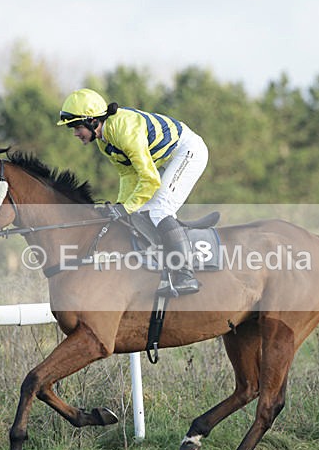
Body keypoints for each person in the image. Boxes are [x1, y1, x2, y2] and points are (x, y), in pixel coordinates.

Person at [57, 88, 208, 296]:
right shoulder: (104, 142)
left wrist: (126, 208)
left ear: (92, 122)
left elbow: (149, 179)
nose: (75, 133)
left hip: (187, 152)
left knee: (159, 209)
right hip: (164, 159)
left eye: (76, 126)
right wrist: (120, 206)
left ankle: (185, 275)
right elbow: (128, 175)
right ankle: (161, 268)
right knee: (140, 212)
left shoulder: (123, 131)